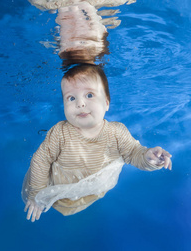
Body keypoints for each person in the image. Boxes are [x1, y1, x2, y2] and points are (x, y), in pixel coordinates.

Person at [23, 64, 172, 222]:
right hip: (57, 192)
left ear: (106, 103)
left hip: (93, 193)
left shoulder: (116, 133)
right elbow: (40, 160)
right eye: (71, 98)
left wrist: (148, 158)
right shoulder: (60, 133)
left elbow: (134, 153)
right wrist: (36, 195)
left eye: (89, 95)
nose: (80, 103)